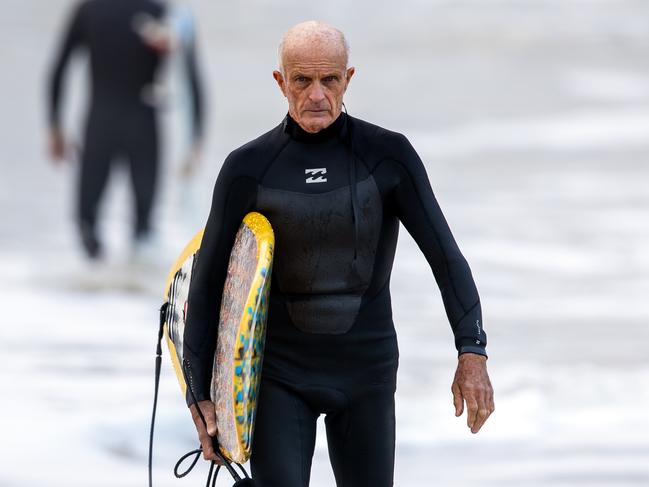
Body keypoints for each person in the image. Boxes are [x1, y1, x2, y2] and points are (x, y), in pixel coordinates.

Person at [183, 21, 494, 487]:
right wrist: (199, 392)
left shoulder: (387, 157)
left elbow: (446, 258)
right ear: (280, 81)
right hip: (278, 377)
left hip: (365, 371)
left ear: (348, 79)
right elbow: (207, 285)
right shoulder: (247, 169)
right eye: (302, 80)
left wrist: (472, 352)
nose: (316, 95)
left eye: (329, 80)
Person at [47, 0, 204, 260]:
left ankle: (95, 286)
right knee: (143, 226)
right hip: (143, 125)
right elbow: (192, 80)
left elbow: (58, 69)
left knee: (86, 223)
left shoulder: (89, 10)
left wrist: (55, 126)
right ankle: (134, 287)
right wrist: (195, 138)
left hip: (99, 125)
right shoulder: (162, 13)